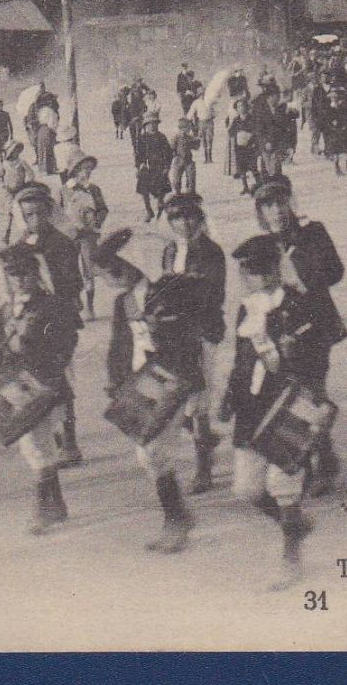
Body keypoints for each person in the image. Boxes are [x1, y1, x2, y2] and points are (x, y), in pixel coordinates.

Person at [219, 233, 329, 589]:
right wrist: (229, 398)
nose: (260, 278)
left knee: (284, 483)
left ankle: (291, 558)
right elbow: (241, 360)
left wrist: (295, 356)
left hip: (288, 402)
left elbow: (319, 357)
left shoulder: (299, 304)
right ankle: (292, 525)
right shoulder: (246, 308)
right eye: (251, 271)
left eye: (266, 269)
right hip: (252, 405)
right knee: (247, 489)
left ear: (277, 268)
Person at [92, 229, 203, 554]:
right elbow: (119, 345)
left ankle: (177, 518)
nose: (112, 278)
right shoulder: (123, 302)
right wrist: (115, 379)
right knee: (150, 452)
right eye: (107, 274)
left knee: (150, 450)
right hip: (143, 383)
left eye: (115, 270)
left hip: (172, 380)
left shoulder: (167, 292)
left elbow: (190, 338)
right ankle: (177, 514)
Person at [0, 243, 80, 535]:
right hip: (14, 389)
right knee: (34, 447)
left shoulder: (53, 306)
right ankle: (56, 505)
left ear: (36, 273)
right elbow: (0, 350)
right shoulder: (7, 311)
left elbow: (65, 348)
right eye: (13, 275)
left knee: (36, 445)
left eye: (25, 273)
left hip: (43, 387)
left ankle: (44, 509)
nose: (19, 280)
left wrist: (36, 362)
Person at [253, 176, 347, 497]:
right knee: (292, 395)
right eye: (268, 206)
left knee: (313, 391)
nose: (276, 211)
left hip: (317, 324)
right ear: (261, 212)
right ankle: (315, 458)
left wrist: (304, 274)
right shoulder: (261, 245)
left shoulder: (312, 233)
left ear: (290, 203)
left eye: (280, 203)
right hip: (284, 329)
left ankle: (322, 459)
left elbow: (336, 270)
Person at [12, 182, 87, 465]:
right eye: (28, 215)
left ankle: (70, 441)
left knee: (60, 379)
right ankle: (53, 438)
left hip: (57, 323)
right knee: (37, 379)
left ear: (49, 213)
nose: (34, 221)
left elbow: (73, 285)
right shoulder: (19, 246)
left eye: (39, 214)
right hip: (30, 323)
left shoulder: (61, 244)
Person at [158, 192, 227, 494]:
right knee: (183, 399)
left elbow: (211, 294)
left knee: (198, 399)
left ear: (199, 219)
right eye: (176, 218)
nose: (183, 224)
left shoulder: (211, 252)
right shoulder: (171, 250)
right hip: (176, 334)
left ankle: (204, 468)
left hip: (201, 330)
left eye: (189, 217)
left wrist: (179, 297)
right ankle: (206, 439)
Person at [60, 152, 108, 320]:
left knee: (89, 269)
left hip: (89, 235)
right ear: (74, 171)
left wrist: (97, 221)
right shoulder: (65, 190)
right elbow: (58, 213)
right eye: (83, 169)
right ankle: (75, 303)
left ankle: (90, 306)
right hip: (70, 236)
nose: (87, 172)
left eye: (89, 169)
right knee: (70, 269)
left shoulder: (94, 190)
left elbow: (103, 209)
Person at [133, 113, 173, 221]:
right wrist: (138, 166)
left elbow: (168, 153)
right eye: (150, 124)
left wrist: (167, 167)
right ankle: (149, 210)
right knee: (143, 188)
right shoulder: (142, 138)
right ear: (146, 126)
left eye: (155, 124)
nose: (152, 126)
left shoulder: (161, 137)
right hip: (146, 166)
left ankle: (160, 203)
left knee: (161, 187)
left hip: (159, 166)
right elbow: (138, 154)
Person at [0, 141, 35, 244]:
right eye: (14, 151)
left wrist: (26, 184)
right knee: (10, 213)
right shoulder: (5, 164)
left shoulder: (21, 162)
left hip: (20, 189)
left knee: (23, 210)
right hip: (9, 192)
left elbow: (31, 174)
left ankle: (28, 232)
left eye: (17, 151)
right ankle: (6, 233)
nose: (16, 153)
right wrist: (4, 186)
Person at [169, 116, 199, 196]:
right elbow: (171, 147)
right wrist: (173, 154)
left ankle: (191, 191)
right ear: (182, 128)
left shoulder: (189, 137)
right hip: (178, 160)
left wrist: (197, 139)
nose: (189, 130)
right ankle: (177, 192)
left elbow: (196, 147)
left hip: (188, 160)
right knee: (176, 178)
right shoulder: (176, 137)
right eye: (188, 128)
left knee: (191, 177)